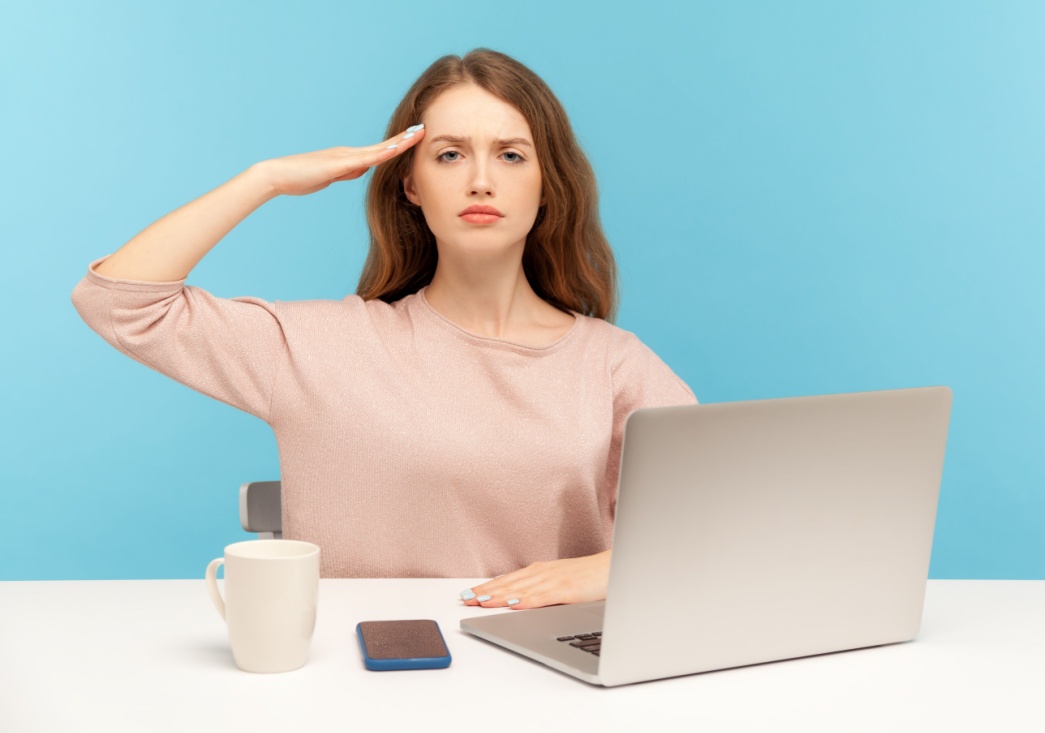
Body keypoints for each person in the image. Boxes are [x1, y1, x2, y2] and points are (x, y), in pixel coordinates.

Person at [71, 48, 697, 610]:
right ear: (411, 185)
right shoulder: (323, 347)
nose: (481, 180)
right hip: (366, 666)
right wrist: (266, 179)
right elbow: (118, 302)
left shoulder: (613, 363)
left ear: (547, 186)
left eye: (511, 155)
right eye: (449, 155)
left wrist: (613, 570)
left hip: (547, 670)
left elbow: (718, 522)